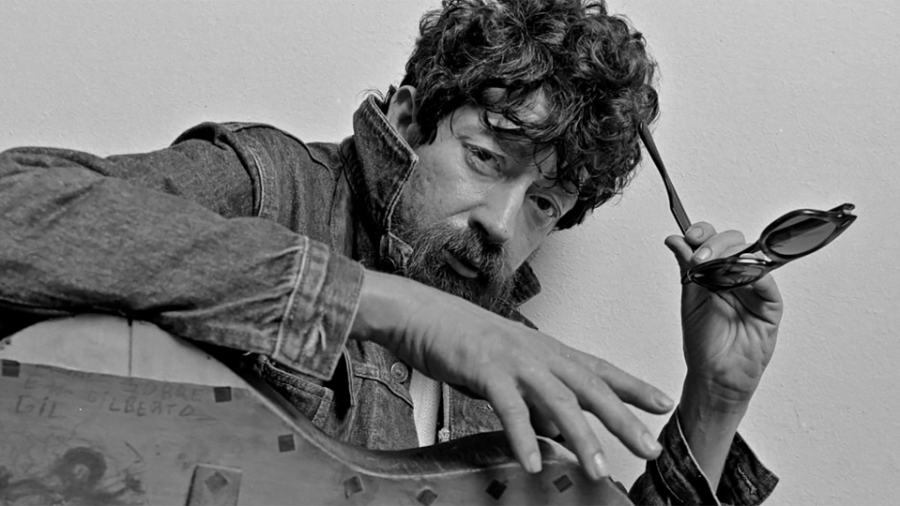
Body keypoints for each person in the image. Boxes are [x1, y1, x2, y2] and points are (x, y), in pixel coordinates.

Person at [0, 0, 782, 504]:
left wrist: (716, 400)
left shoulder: (521, 380)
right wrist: (388, 307)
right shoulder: (276, 189)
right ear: (408, 122)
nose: (503, 224)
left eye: (545, 203)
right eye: (487, 159)